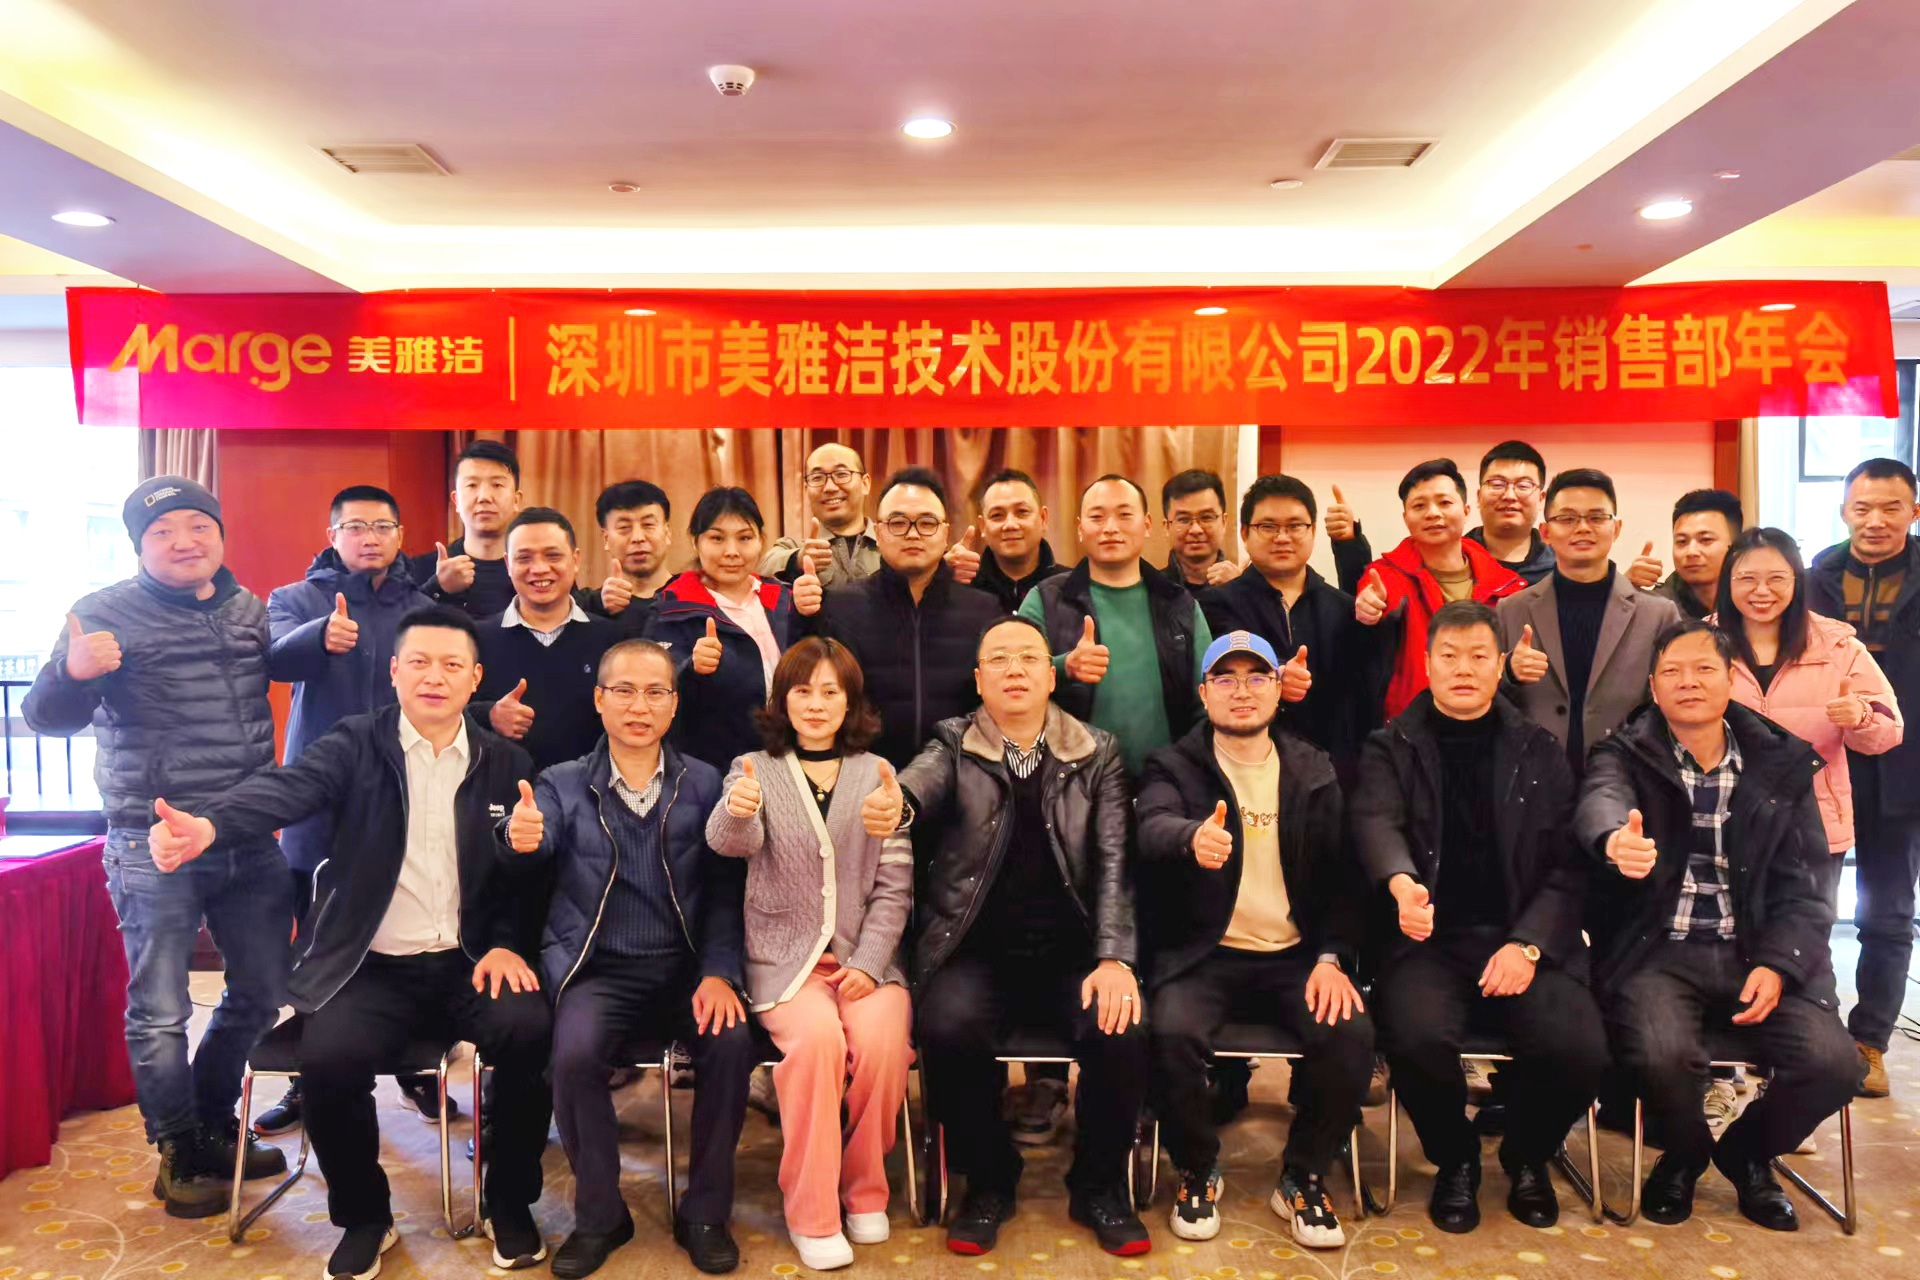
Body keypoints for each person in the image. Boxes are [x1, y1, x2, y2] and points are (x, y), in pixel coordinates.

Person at [146, 606, 553, 1278]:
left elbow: (522, 878)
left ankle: (507, 1201)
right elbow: (286, 789)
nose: (434, 677)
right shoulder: (355, 743)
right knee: (329, 1060)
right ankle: (365, 1216)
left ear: (475, 678)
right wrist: (212, 827)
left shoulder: (506, 761)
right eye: (418, 662)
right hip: (369, 962)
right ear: (394, 671)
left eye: (451, 665)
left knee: (530, 1031)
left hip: (469, 960)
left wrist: (509, 937)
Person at [23, 476, 289, 1219]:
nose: (184, 542)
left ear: (220, 535)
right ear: (139, 546)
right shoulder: (100, 612)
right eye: (163, 531)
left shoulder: (248, 608)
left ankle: (210, 1121)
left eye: (198, 526)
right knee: (161, 1008)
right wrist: (69, 672)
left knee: (263, 990)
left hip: (244, 831)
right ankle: (177, 1148)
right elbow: (45, 716)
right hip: (153, 839)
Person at [1576, 619, 1860, 1231]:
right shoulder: (1622, 752)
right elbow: (1601, 799)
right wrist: (1613, 842)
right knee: (1659, 1055)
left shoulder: (1780, 762)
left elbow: (1810, 885)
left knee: (1836, 1066)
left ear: (1730, 679)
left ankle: (1748, 1153)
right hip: (1656, 951)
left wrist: (1779, 964)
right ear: (1653, 687)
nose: (1689, 682)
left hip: (1758, 950)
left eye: (1704, 669)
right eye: (1672, 672)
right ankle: (1684, 1155)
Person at [1352, 600, 1606, 1233]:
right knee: (1413, 1037)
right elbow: (1375, 821)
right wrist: (1402, 885)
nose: (1463, 669)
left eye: (1478, 656)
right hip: (1426, 939)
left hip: (1521, 936)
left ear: (1501, 666)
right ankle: (1455, 1157)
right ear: (1427, 664)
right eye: (1449, 655)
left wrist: (1528, 946)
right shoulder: (1390, 745)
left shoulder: (1539, 749)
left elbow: (1567, 865)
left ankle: (1527, 1154)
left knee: (1580, 1048)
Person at [901, 616, 1151, 1258]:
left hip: (1073, 953)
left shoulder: (1097, 751)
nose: (1014, 670)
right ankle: (989, 1179)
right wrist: (897, 804)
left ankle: (1098, 1185)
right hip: (975, 952)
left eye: (1029, 658)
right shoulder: (953, 742)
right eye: (999, 660)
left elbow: (1116, 861)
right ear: (978, 679)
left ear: (1051, 675)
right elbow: (919, 785)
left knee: (1121, 1026)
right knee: (944, 1026)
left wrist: (1114, 958)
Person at [505, 637, 752, 1277]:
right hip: (599, 969)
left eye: (655, 692)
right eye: (624, 691)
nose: (639, 706)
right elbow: (534, 838)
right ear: (599, 700)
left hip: (687, 967)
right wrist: (520, 836)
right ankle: (600, 1215)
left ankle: (705, 1212)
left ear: (674, 703)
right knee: (572, 1055)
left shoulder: (706, 783)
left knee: (731, 1044)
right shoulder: (560, 782)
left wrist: (719, 972)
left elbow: (725, 893)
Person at [1136, 630, 1372, 1248]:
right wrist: (1190, 837)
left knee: (1349, 1032)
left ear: (1277, 689)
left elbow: (1343, 880)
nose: (1241, 691)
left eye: (1256, 677)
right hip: (1205, 955)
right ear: (1204, 692)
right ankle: (1196, 1167)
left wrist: (1331, 957)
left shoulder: (1313, 769)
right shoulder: (1173, 765)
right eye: (1226, 678)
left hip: (1295, 956)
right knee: (1168, 1031)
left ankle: (1303, 1175)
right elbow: (1151, 823)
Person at [706, 638, 914, 1271]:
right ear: (782, 700)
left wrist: (869, 963)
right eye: (803, 691)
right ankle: (812, 1211)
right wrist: (736, 810)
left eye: (831, 692)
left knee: (883, 1045)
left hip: (866, 958)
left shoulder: (878, 772)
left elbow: (895, 884)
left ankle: (864, 1188)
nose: (816, 704)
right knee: (819, 1045)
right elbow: (728, 842)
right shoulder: (752, 767)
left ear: (850, 702)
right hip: (785, 960)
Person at [260, 484, 438, 1136]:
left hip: (407, 788)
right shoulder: (294, 598)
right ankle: (308, 1080)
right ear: (333, 535)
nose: (370, 537)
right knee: (316, 936)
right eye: (356, 526)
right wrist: (319, 637)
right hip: (320, 799)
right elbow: (274, 659)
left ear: (400, 536)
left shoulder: (423, 608)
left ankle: (416, 1067)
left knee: (409, 926)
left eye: (383, 526)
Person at [1805, 457, 1920, 1097]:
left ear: (1914, 512)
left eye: (1891, 507)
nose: (1875, 520)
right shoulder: (1812, 580)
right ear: (1844, 509)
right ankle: (1809, 1032)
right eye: (1863, 507)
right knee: (1809, 907)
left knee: (1887, 910)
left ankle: (1869, 1041)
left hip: (1905, 767)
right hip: (1825, 761)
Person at [1719, 526, 1902, 903]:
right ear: (1728, 582)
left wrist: (1861, 716)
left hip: (1814, 825)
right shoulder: (1701, 643)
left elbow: (1888, 728)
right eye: (1747, 578)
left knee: (1804, 934)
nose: (1762, 590)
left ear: (1797, 581)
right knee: (1728, 934)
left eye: (1776, 578)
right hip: (1723, 821)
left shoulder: (1837, 646)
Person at [1019, 474, 1214, 775]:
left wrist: (1186, 772)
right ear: (1080, 528)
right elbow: (1009, 677)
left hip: (1165, 782)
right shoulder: (1045, 599)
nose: (1110, 528)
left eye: (1124, 515)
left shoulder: (1180, 605)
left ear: (1147, 525)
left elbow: (1209, 698)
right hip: (1070, 782)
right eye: (1097, 517)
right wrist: (1064, 666)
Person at [1496, 468, 1682, 773]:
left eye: (1596, 517)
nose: (1582, 528)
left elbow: (1673, 704)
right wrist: (1509, 672)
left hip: (1626, 777)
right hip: (1534, 780)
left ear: (1616, 528)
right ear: (1545, 532)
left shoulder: (1658, 615)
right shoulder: (1511, 610)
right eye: (1567, 518)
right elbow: (1488, 702)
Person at [819, 467, 1002, 768]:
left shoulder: (983, 610)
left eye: (927, 523)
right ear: (878, 533)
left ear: (945, 533)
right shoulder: (841, 608)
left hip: (960, 779)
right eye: (898, 523)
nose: (913, 534)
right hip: (866, 779)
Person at [1201, 474, 1379, 780]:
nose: (1282, 537)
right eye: (1268, 526)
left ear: (1313, 531)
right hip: (1243, 772)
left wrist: (1351, 546)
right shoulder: (1213, 605)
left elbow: (1365, 696)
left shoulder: (1343, 608)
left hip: (1333, 776)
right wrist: (1276, 674)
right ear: (1244, 533)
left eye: (1295, 526)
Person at [648, 487, 823, 771]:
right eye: (717, 538)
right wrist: (692, 668)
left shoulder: (784, 598)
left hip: (794, 762)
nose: (731, 552)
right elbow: (653, 697)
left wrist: (808, 616)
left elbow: (818, 672)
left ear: (761, 541)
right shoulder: (671, 608)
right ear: (695, 542)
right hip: (713, 772)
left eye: (744, 538)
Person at [1352, 459, 1525, 720]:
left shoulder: (1506, 585)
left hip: (1488, 724)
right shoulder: (1384, 576)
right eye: (1419, 506)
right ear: (1405, 518)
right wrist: (1368, 610)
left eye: (1444, 503)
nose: (1433, 513)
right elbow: (1371, 604)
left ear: (1466, 510)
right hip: (1410, 725)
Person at [475, 508, 625, 773]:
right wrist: (488, 716)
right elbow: (444, 716)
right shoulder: (477, 639)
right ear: (508, 565)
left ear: (576, 560)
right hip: (503, 791)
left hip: (591, 790)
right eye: (524, 558)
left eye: (553, 555)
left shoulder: (611, 640)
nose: (539, 568)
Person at [1329, 441, 1556, 593]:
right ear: (1478, 496)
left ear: (1541, 498)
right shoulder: (1445, 555)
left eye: (1523, 485)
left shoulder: (1560, 568)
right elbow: (1366, 600)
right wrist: (1349, 543)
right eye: (1497, 484)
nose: (1509, 495)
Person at [408, 439, 523, 619]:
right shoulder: (421, 568)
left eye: (497, 485)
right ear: (456, 501)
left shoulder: (532, 570)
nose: (484, 497)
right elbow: (396, 627)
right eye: (472, 485)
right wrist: (437, 587)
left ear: (516, 500)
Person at [944, 468, 1068, 611]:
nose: (1010, 525)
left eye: (1022, 512)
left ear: (1043, 518)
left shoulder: (1070, 586)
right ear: (982, 526)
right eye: (997, 515)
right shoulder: (961, 585)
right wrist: (939, 574)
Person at [761, 442, 880, 588]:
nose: (830, 487)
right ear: (806, 489)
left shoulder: (889, 544)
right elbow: (763, 568)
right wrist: (798, 560)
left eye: (841, 474)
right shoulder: (795, 547)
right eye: (817, 478)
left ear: (865, 484)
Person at [579, 480, 676, 632]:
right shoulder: (587, 609)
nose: (638, 538)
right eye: (624, 527)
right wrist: (600, 608)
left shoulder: (695, 598)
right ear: (606, 539)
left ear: (667, 533)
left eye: (648, 525)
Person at [1654, 489, 1743, 619]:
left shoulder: (1756, 600)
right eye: (1682, 542)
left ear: (1736, 546)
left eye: (1705, 540)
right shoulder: (1656, 610)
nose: (1691, 552)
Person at [1162, 468, 1239, 589]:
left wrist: (1240, 591)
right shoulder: (1153, 589)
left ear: (1224, 522)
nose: (1196, 530)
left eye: (1206, 517)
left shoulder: (1245, 589)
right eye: (1184, 519)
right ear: (1167, 526)